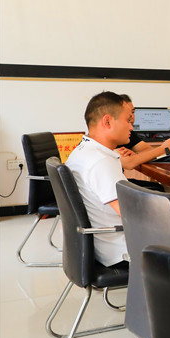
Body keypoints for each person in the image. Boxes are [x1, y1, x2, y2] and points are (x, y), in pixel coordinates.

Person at [65, 91, 133, 268]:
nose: (131, 127)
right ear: (107, 121)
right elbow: (132, 215)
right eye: (128, 120)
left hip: (102, 246)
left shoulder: (82, 151)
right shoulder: (101, 162)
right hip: (122, 251)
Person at [115, 94, 170, 171]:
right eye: (127, 114)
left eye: (133, 112)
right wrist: (163, 148)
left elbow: (147, 150)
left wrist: (136, 156)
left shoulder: (129, 132)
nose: (132, 117)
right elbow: (128, 163)